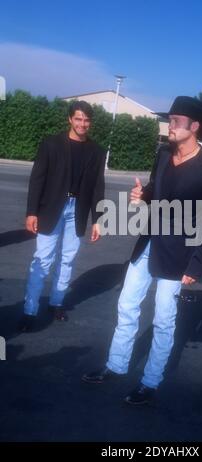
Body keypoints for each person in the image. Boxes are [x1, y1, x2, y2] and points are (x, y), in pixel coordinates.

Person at [82, 96, 202, 405]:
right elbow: (153, 189)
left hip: (179, 255)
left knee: (163, 318)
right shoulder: (162, 155)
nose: (169, 126)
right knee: (127, 305)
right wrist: (142, 194)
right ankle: (116, 364)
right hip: (147, 243)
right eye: (169, 119)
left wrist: (197, 266)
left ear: (195, 127)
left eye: (176, 121)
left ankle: (150, 381)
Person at [19, 100, 106, 332]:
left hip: (76, 211)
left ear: (91, 122)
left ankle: (56, 302)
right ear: (70, 119)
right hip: (50, 209)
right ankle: (30, 310)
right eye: (78, 118)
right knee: (43, 260)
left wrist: (99, 219)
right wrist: (31, 212)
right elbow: (37, 179)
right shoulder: (51, 144)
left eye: (87, 120)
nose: (82, 124)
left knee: (67, 260)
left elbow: (98, 187)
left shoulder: (97, 152)